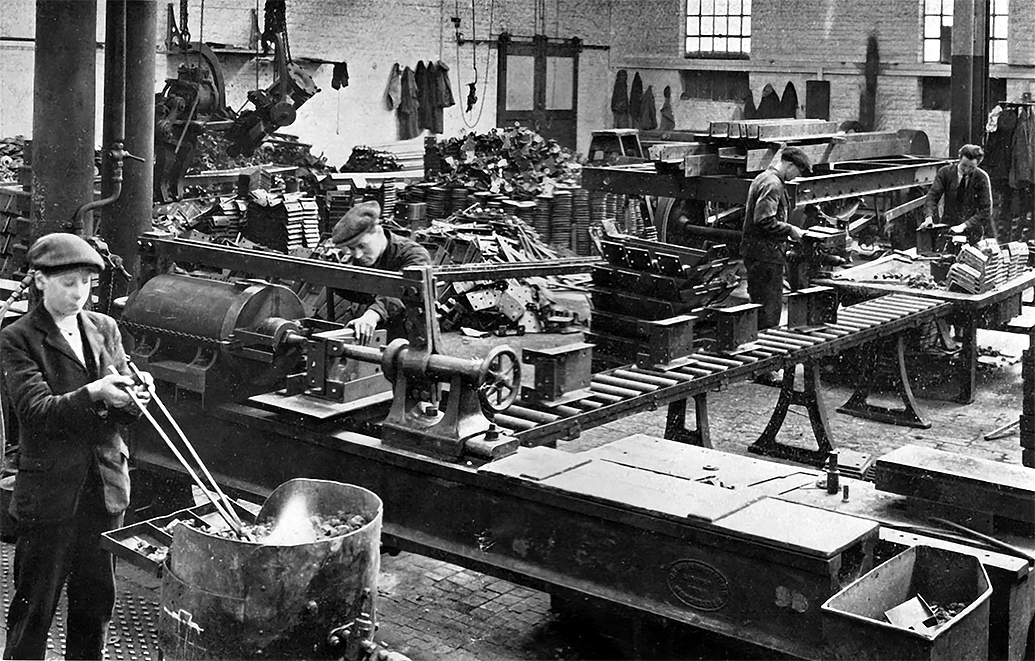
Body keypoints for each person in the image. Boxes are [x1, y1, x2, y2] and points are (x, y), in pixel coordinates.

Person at [2, 233, 152, 660]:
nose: (78, 294)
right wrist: (97, 392)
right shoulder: (17, 338)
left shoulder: (105, 327)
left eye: (85, 283)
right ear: (39, 281)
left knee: (95, 606)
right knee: (34, 609)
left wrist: (135, 396)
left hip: (103, 488)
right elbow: (36, 412)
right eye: (67, 283)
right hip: (51, 494)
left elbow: (124, 413)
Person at [329, 200, 432, 344]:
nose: (357, 255)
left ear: (378, 231)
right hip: (375, 334)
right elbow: (358, 294)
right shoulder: (361, 259)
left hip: (413, 338)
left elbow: (402, 291)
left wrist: (373, 314)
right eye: (352, 248)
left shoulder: (415, 255)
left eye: (362, 246)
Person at [740, 146, 812, 330]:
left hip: (759, 252)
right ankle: (765, 347)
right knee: (769, 311)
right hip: (765, 256)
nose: (797, 176)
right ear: (789, 164)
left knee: (759, 305)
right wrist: (790, 230)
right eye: (798, 171)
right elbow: (764, 220)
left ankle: (757, 341)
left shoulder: (764, 178)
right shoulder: (773, 184)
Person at [919, 143, 993, 244]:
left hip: (972, 232)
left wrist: (964, 225)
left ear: (978, 164)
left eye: (971, 167)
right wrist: (928, 217)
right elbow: (932, 196)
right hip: (948, 228)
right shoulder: (945, 173)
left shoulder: (982, 178)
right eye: (964, 166)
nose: (966, 170)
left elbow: (986, 210)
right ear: (959, 158)